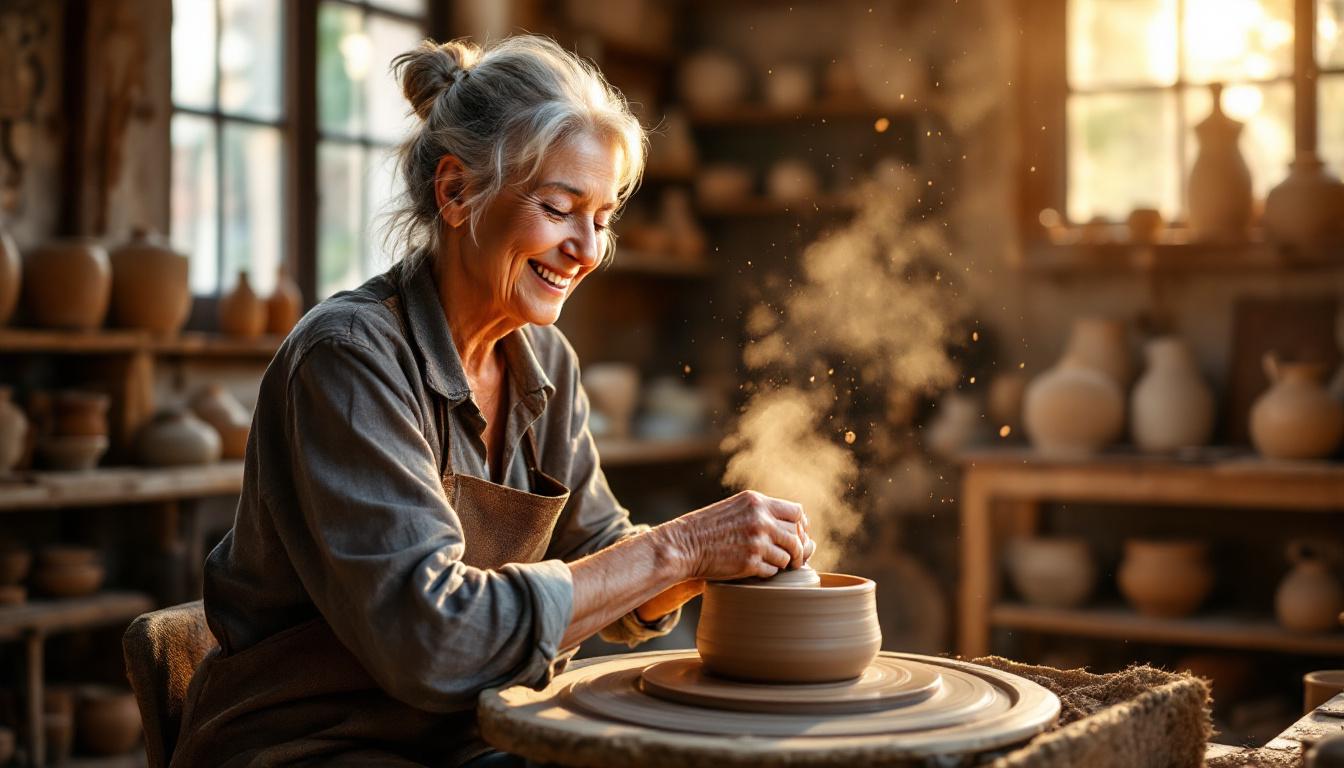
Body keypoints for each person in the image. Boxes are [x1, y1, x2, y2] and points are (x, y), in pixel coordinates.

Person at [171, 35, 813, 767]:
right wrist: (679, 550)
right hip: (312, 743)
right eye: (559, 207)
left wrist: (714, 558)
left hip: (472, 737)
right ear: (456, 193)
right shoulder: (348, 360)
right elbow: (434, 639)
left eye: (601, 219)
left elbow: (599, 550)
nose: (587, 249)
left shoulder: (544, 362)